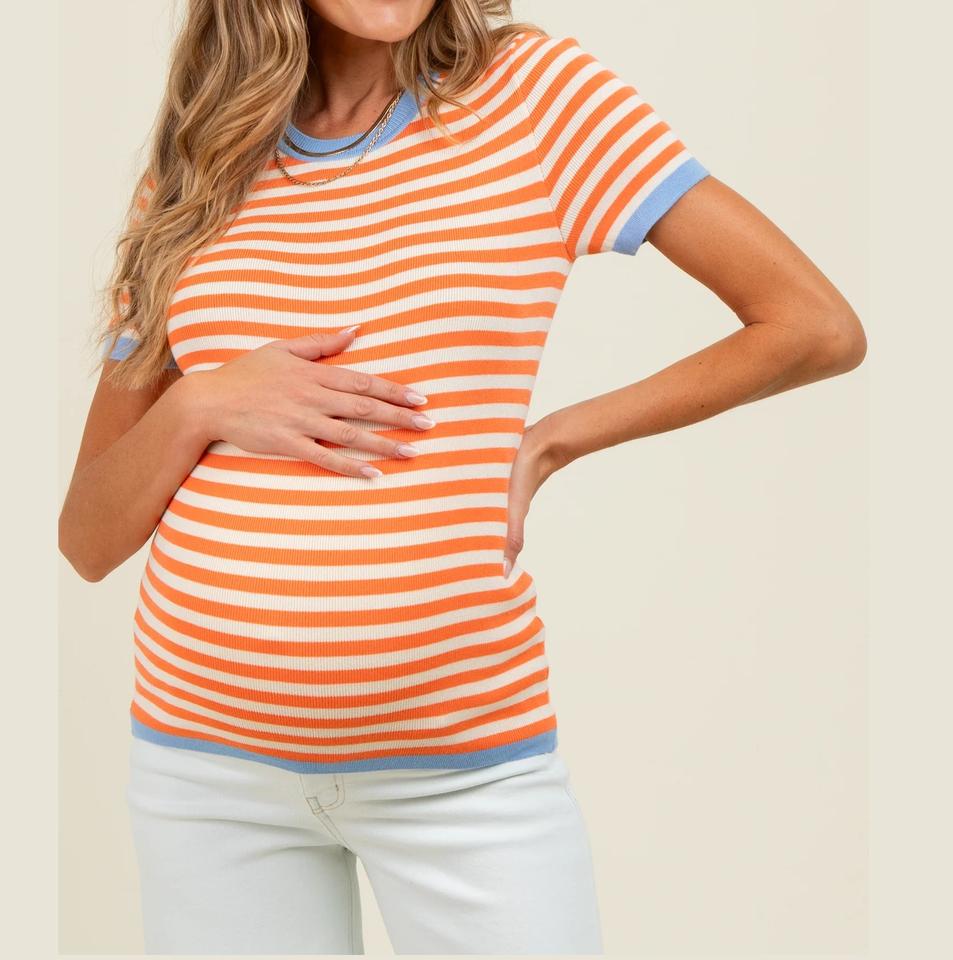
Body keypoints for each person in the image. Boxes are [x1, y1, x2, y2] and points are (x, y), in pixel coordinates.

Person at [59, 0, 867, 954]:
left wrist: (555, 438)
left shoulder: (535, 96)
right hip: (206, 780)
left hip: (464, 775)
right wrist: (201, 402)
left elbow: (813, 325)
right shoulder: (200, 159)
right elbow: (88, 538)